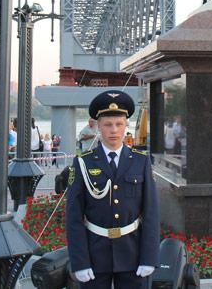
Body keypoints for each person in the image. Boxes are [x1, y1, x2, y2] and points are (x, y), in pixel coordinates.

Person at [66, 90, 160, 288]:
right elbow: (73, 216)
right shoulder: (83, 162)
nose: (114, 130)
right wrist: (80, 262)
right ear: (98, 126)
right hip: (94, 253)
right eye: (108, 125)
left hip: (132, 253)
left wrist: (149, 257)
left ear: (126, 126)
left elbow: (151, 212)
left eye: (119, 124)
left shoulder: (141, 161)